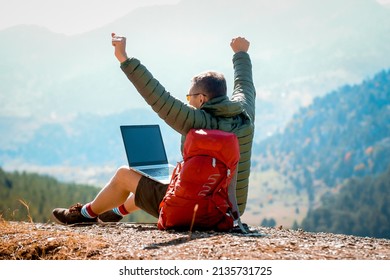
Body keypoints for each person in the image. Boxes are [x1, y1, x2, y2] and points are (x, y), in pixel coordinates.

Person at [52, 33, 256, 225]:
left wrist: (124, 59)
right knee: (168, 180)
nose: (189, 102)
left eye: (190, 97)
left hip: (197, 209)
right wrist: (241, 54)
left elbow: (158, 97)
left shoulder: (197, 121)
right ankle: (115, 213)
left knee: (124, 174)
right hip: (231, 208)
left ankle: (83, 215)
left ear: (201, 98)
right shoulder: (244, 112)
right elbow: (244, 84)